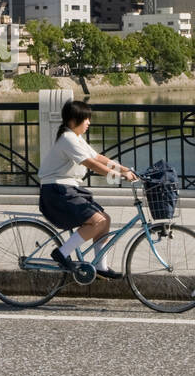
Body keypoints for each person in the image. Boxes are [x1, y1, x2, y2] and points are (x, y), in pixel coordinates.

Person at [36, 99, 137, 279]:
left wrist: (124, 169)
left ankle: (101, 267)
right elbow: (91, 164)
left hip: (67, 190)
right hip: (57, 192)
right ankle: (61, 253)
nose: (89, 122)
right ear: (73, 121)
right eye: (85, 119)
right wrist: (119, 176)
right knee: (97, 221)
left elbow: (97, 157)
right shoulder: (67, 139)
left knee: (104, 220)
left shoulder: (75, 137)